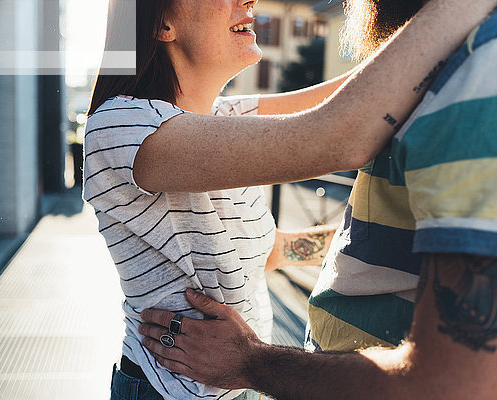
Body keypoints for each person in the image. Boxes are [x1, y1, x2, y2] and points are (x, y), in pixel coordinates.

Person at [84, 0, 497, 399]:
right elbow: (338, 132)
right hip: (166, 390)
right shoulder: (121, 127)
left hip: (231, 385)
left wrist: (379, 239)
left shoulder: (220, 118)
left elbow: (365, 94)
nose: (249, 0)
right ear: (161, 24)